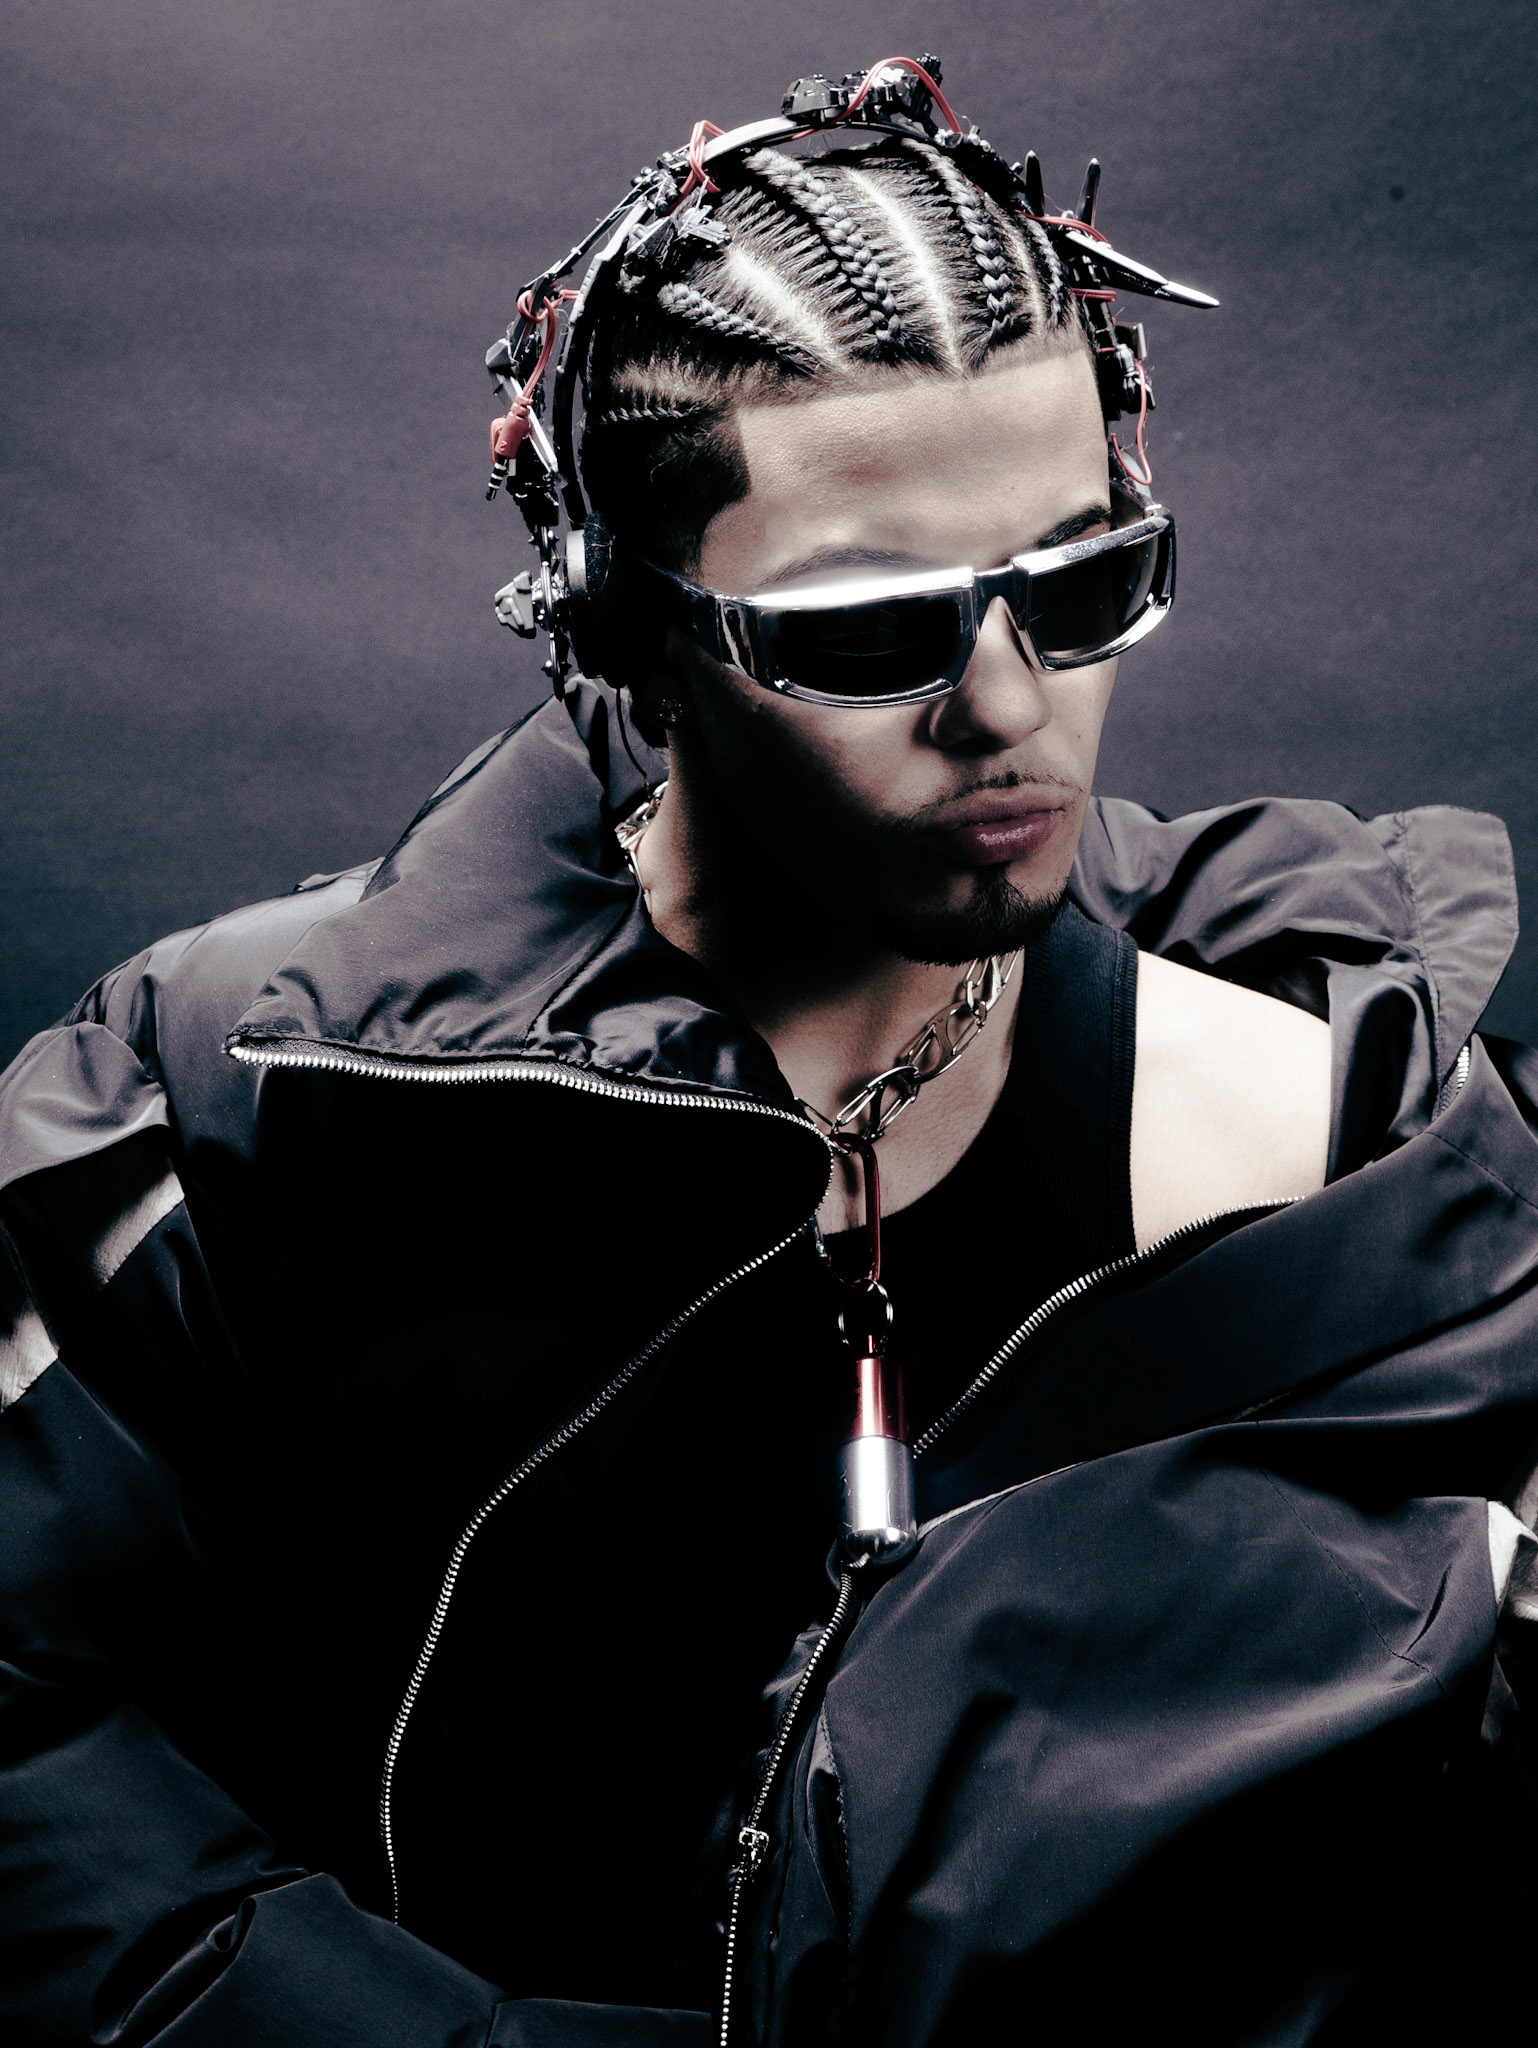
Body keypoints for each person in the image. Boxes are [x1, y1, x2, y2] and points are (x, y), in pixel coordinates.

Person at [1, 52, 1534, 2048]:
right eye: (866, 629)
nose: (1010, 710)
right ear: (627, 637)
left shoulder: (1346, 1131)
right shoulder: (242, 1097)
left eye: (1081, 586)